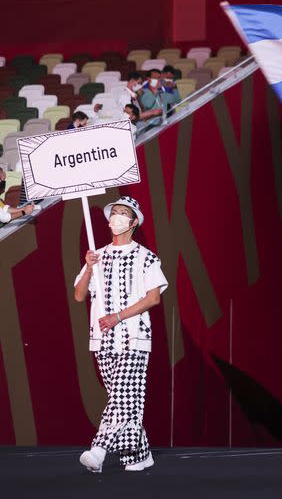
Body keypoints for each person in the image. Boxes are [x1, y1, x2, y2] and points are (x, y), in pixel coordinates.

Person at [74, 196, 167, 473]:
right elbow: (79, 295)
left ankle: (98, 450)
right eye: (114, 212)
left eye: (123, 213)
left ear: (133, 221)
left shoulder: (146, 257)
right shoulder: (97, 255)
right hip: (102, 339)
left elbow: (153, 298)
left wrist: (118, 316)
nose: (117, 217)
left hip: (134, 336)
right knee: (124, 398)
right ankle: (139, 454)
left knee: (123, 396)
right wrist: (90, 266)